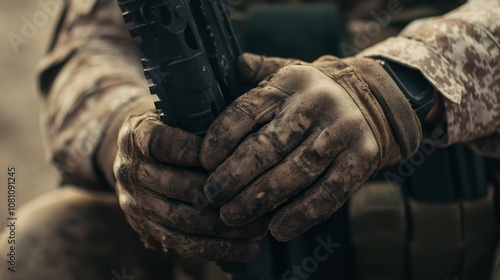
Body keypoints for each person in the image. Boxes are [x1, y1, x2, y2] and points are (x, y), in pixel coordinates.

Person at [0, 0, 498, 279]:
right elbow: (89, 46)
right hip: (225, 251)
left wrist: (397, 88)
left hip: (468, 224)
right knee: (35, 248)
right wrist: (133, 138)